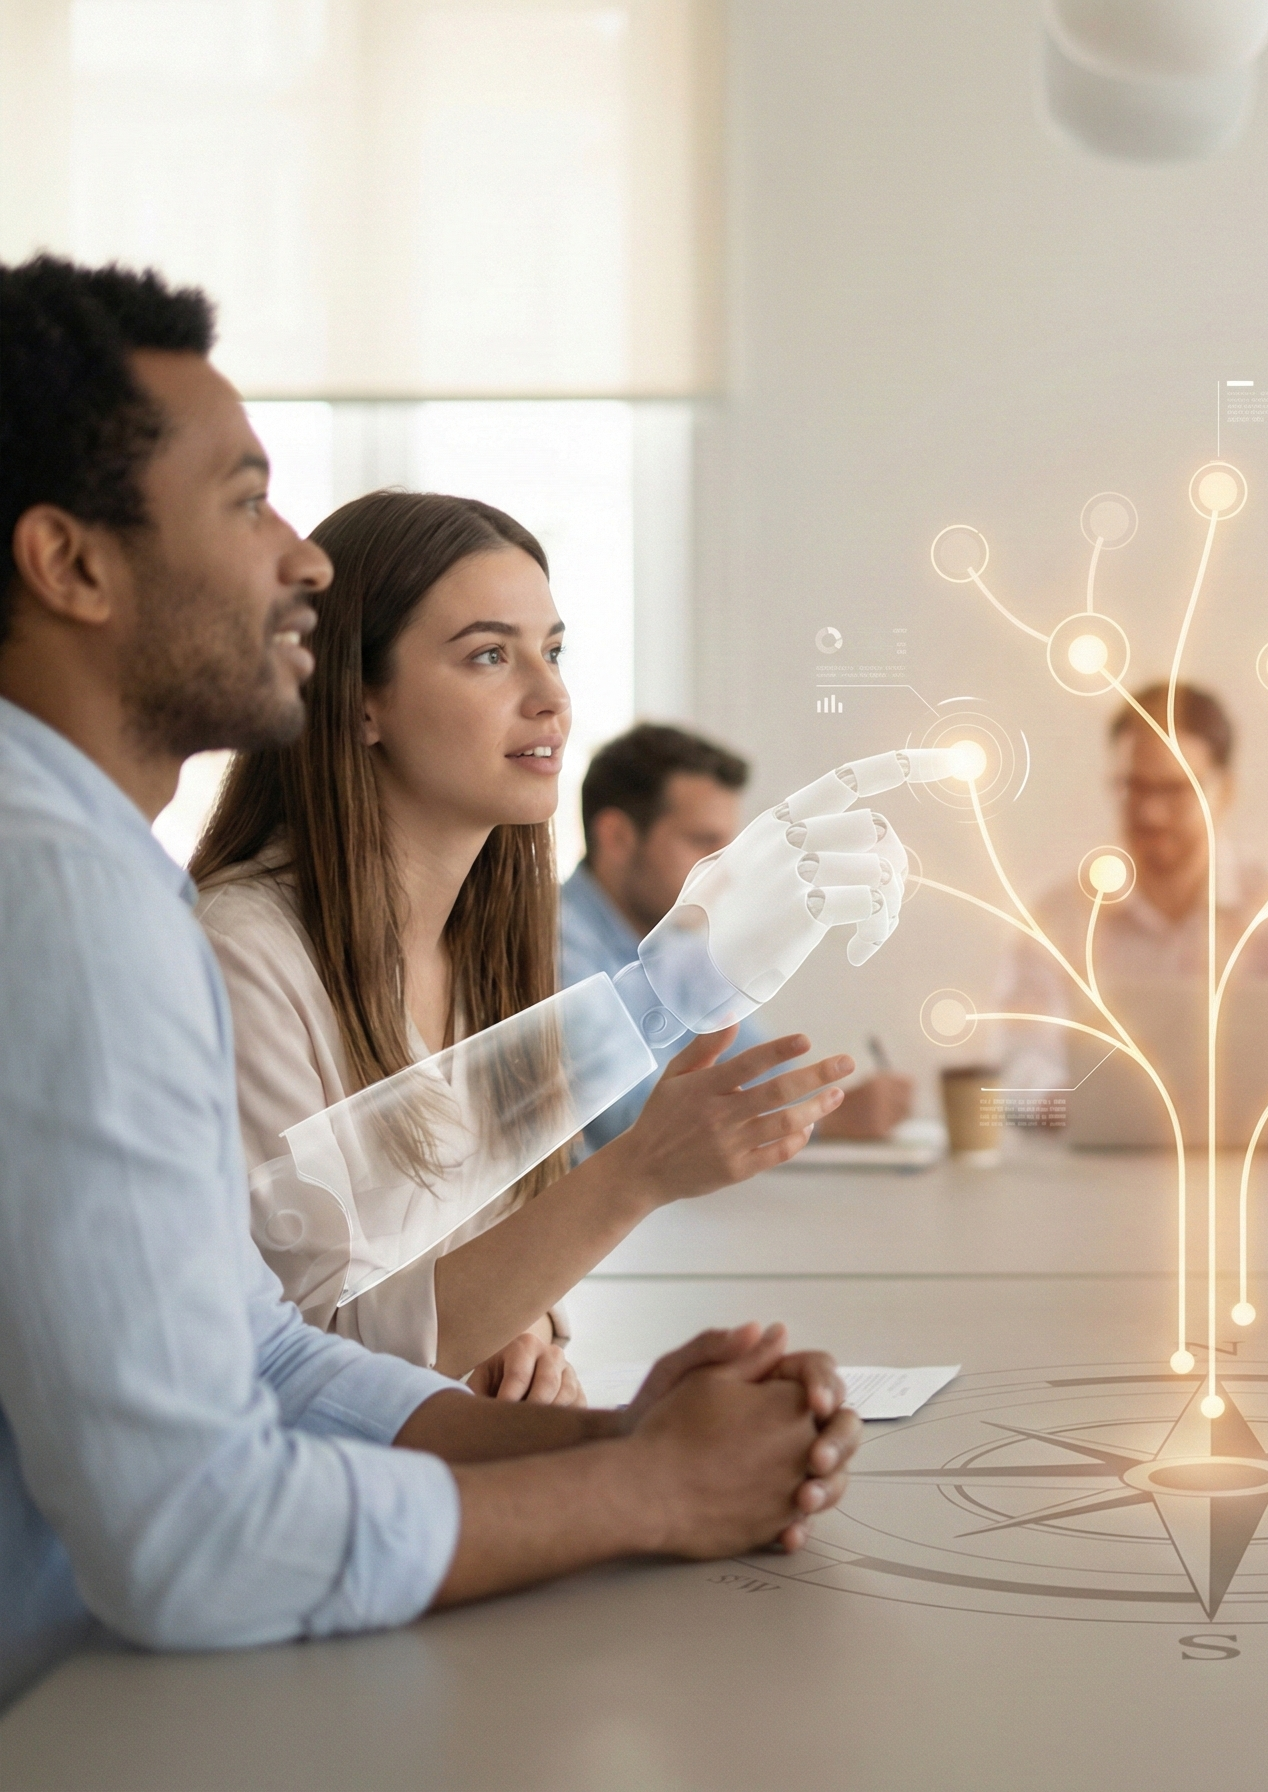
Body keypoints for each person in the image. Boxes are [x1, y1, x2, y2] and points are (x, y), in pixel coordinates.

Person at [0, 254, 858, 1712]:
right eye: (243, 500)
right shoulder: (72, 899)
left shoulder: (104, 874)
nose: (304, 560)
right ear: (71, 564)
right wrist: (645, 1494)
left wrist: (613, 1440)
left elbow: (254, 1346)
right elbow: (192, 1536)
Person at [189, 493, 857, 1403]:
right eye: (490, 655)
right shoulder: (241, 958)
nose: (551, 699)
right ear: (360, 704)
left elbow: (477, 1251)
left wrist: (530, 1333)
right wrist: (640, 1172)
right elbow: (308, 1353)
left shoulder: (487, 949)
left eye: (553, 652)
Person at [563, 721, 915, 1150]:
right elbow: (625, 1122)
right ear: (617, 837)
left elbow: (756, 1073)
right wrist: (827, 1118)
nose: (726, 870)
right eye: (704, 843)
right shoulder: (555, 943)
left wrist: (823, 1104)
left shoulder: (681, 945)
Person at [994, 680, 1268, 1099]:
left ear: (1224, 791)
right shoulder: (1059, 916)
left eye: (1175, 790)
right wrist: (1081, 1106)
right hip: (1092, 1162)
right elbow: (1019, 1068)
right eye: (1132, 787)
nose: (1149, 812)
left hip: (1250, 1161)